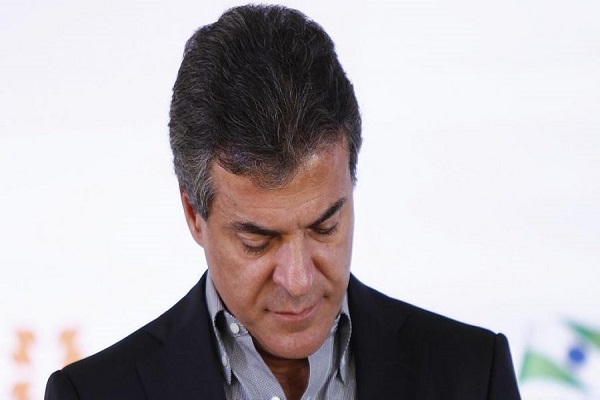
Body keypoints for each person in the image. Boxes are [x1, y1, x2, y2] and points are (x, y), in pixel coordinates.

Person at [45, 4, 521, 399]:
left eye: (325, 227)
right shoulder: (93, 394)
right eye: (258, 241)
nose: (298, 281)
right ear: (193, 214)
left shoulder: (473, 376)